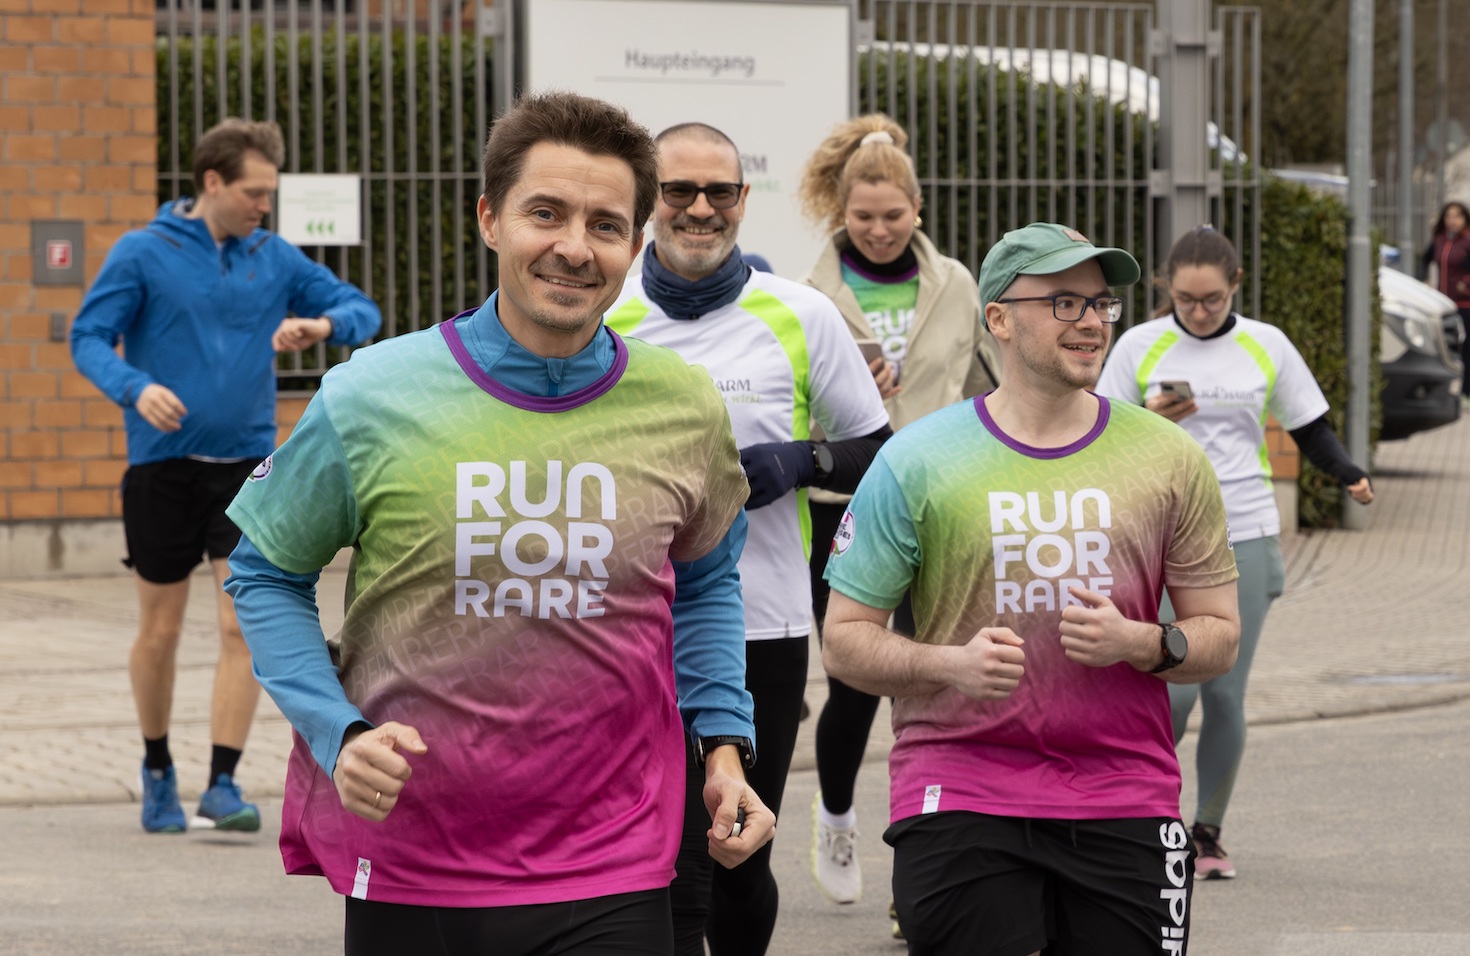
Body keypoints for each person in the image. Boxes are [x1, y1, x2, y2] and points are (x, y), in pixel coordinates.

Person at [222, 92, 775, 955]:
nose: (573, 247)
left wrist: (725, 749)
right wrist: (338, 731)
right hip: (415, 858)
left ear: (634, 244)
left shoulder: (683, 404)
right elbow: (263, 572)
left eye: (604, 225)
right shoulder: (372, 393)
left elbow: (704, 585)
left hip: (615, 859)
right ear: (489, 218)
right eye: (544, 213)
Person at [822, 221, 1243, 956]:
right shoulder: (917, 459)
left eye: (1100, 303)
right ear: (999, 319)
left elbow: (1220, 634)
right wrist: (948, 664)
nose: (1091, 321)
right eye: (1063, 302)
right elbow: (844, 641)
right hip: (962, 788)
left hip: (1125, 792)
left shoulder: (1169, 457)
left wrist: (1142, 641)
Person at [603, 122, 891, 956]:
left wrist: (801, 461)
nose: (700, 208)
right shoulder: (604, 311)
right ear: (649, 199)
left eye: (719, 191)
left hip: (764, 621)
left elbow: (877, 447)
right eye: (678, 191)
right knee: (646, 852)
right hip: (626, 623)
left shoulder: (802, 314)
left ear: (742, 200)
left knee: (737, 849)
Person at [69, 117, 381, 835]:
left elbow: (360, 309)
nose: (264, 206)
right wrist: (134, 387)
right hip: (162, 468)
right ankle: (157, 771)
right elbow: (89, 336)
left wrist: (321, 327)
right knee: (160, 629)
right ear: (212, 182)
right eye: (254, 192)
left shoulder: (274, 258)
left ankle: (222, 782)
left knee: (239, 625)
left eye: (270, 193)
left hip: (245, 469)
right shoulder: (142, 252)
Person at [1096, 224, 1374, 881]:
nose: (1199, 313)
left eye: (1212, 300)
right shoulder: (1137, 344)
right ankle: (1142, 817)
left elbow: (1309, 425)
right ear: (1166, 288)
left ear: (1236, 287)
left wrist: (1346, 472)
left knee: (1223, 694)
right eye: (1186, 300)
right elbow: (1097, 432)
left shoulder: (1265, 343)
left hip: (1243, 530)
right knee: (1172, 693)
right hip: (1161, 533)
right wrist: (1150, 420)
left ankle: (1207, 833)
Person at [797, 112, 1000, 912]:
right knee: (858, 682)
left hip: (938, 501)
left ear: (917, 209)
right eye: (862, 217)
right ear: (840, 213)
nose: (878, 231)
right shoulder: (808, 296)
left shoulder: (958, 284)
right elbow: (789, 405)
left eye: (892, 215)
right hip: (841, 505)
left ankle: (920, 874)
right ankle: (837, 818)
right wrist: (845, 400)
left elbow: (986, 387)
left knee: (936, 686)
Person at [1421, 201, 1470, 407]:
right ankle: (1440, 391)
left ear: (1464, 219)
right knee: (1440, 349)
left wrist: (1468, 282)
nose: (1452, 221)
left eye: (1457, 216)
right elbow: (1424, 260)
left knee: (1466, 349)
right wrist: (1424, 280)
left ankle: (1465, 395)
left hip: (1467, 305)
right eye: (1448, 216)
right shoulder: (1439, 240)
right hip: (1442, 305)